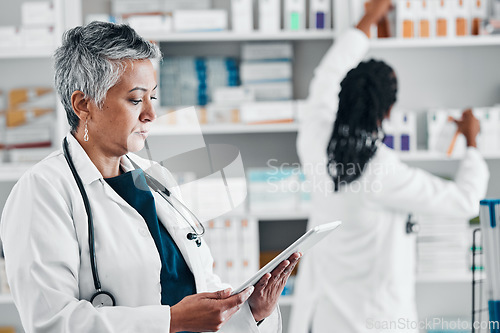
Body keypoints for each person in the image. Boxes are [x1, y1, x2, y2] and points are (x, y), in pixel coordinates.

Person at [0, 21, 300, 333]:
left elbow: (198, 287)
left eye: (152, 98)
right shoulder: (42, 192)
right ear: (83, 104)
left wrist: (252, 311)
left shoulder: (158, 179)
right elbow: (50, 322)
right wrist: (172, 320)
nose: (150, 114)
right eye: (134, 99)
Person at [290, 1, 490, 332]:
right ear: (387, 113)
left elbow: (327, 74)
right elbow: (464, 201)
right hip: (376, 320)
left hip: (326, 318)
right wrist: (472, 143)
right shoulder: (381, 169)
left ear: (344, 98)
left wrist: (369, 18)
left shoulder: (314, 135)